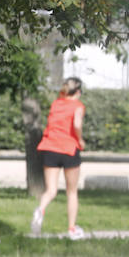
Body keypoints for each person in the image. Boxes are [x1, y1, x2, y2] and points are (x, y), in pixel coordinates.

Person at [31, 77, 86, 239]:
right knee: (72, 192)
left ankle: (40, 210)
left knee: (51, 190)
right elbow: (76, 125)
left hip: (50, 147)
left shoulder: (56, 104)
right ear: (78, 92)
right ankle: (71, 229)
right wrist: (81, 139)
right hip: (69, 148)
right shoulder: (78, 106)